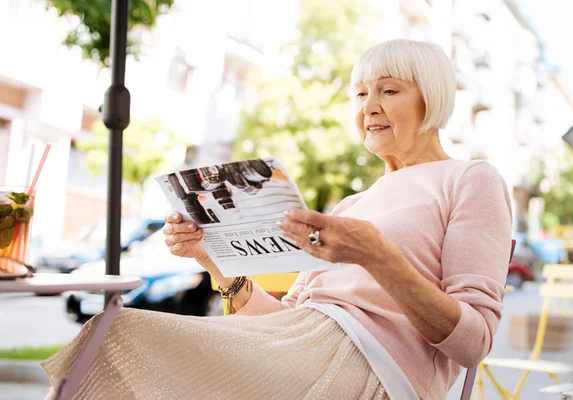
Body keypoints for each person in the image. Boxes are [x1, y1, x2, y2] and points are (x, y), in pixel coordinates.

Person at [42, 39, 512, 400]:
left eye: (389, 91)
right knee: (104, 336)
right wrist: (211, 258)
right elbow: (290, 319)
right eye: (361, 93)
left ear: (431, 99)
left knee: (119, 338)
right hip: (298, 341)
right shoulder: (350, 207)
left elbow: (473, 343)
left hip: (374, 366)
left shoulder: (471, 179)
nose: (369, 106)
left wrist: (380, 258)